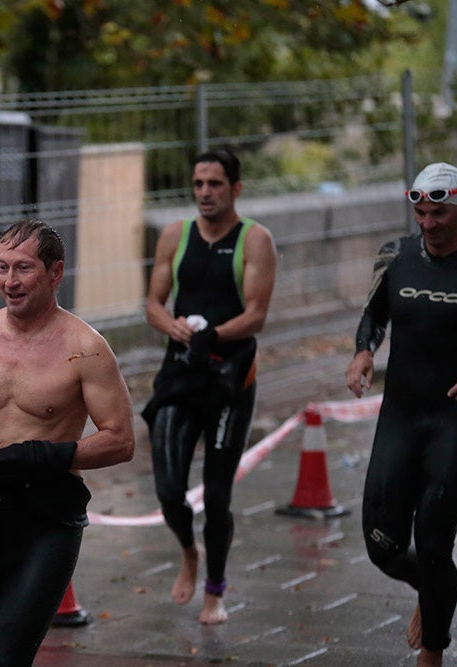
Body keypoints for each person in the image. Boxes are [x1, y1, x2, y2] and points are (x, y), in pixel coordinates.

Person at [0, 218, 135, 666]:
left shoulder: (86, 349)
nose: (10, 282)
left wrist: (45, 455)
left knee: (5, 659)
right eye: (1, 268)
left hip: (47, 521)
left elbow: (121, 440)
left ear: (55, 273)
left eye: (24, 269)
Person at [345, 162, 457, 667]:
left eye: (438, 212)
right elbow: (374, 314)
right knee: (381, 545)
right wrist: (363, 352)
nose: (427, 223)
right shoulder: (395, 255)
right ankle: (432, 590)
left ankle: (433, 654)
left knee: (435, 544)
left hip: (454, 424)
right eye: (419, 212)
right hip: (400, 417)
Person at [141, 149, 277, 624]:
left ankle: (215, 592)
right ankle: (188, 550)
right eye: (198, 183)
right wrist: (173, 327)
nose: (205, 192)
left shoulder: (255, 240)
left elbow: (257, 314)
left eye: (215, 184)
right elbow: (153, 303)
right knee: (167, 489)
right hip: (180, 375)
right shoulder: (175, 236)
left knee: (217, 495)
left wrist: (212, 334)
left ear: (235, 189)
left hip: (228, 380)